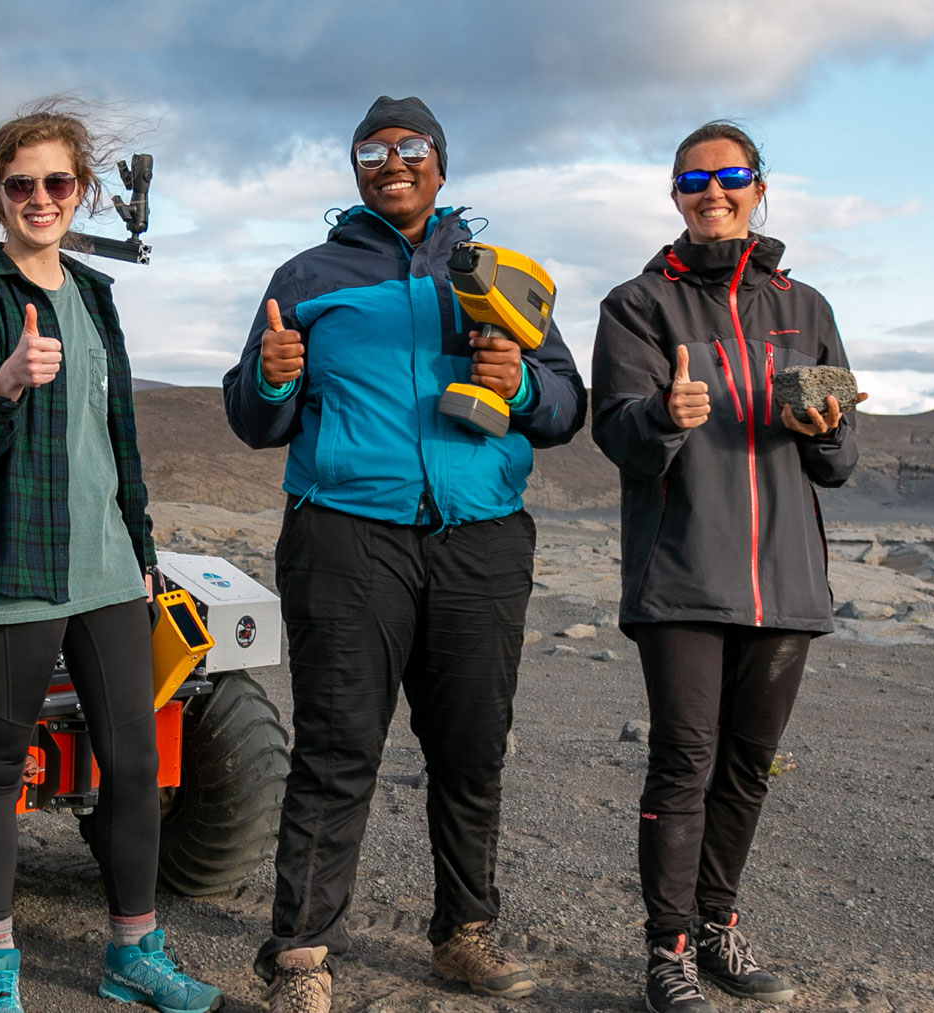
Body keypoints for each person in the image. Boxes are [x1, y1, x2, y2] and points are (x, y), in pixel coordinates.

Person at [222, 95, 586, 1011]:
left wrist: (524, 384)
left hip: (481, 540)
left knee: (470, 747)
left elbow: (567, 406)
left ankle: (464, 934)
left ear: (440, 162)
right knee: (338, 746)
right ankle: (299, 954)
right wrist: (270, 374)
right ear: (355, 168)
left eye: (410, 147)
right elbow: (253, 416)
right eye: (371, 149)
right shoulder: (308, 273)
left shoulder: (500, 273)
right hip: (346, 535)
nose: (392, 161)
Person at [0, 99, 221, 1013]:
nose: (41, 197)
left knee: (132, 762)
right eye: (22, 184)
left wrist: (140, 551)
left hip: (104, 568)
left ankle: (133, 951)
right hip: (14, 565)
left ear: (81, 190)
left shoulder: (96, 297)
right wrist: (8, 385)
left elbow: (117, 438)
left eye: (58, 182)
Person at [591, 121, 863, 1013]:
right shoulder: (638, 305)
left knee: (748, 765)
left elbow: (841, 457)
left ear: (759, 187)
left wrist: (828, 431)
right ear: (673, 193)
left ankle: (717, 928)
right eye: (694, 178)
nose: (714, 191)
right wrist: (667, 413)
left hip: (785, 578)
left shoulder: (806, 307)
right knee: (683, 761)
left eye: (731, 175)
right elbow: (619, 435)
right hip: (682, 575)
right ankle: (666, 951)